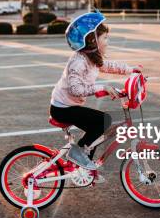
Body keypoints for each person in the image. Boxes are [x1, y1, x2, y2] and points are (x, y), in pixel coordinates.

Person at [49, 11, 141, 170]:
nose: (108, 41)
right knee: (102, 121)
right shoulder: (78, 61)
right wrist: (102, 88)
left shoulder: (91, 57)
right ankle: (76, 154)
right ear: (92, 40)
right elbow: (76, 89)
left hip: (69, 106)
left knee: (97, 131)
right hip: (62, 108)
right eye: (105, 38)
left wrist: (131, 70)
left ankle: (83, 170)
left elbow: (110, 66)